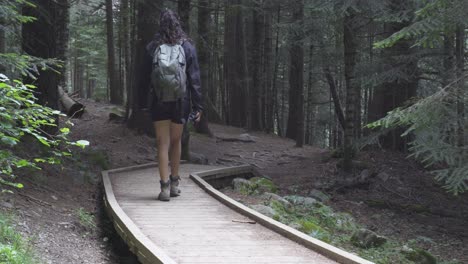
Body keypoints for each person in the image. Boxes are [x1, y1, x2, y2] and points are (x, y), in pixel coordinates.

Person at [142, 9, 203, 201]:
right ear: (178, 24)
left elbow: (144, 79)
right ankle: (175, 183)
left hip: (159, 101)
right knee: (176, 142)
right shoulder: (187, 47)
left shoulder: (152, 47)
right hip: (181, 101)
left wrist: (143, 103)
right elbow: (194, 79)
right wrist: (198, 106)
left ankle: (164, 188)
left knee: (162, 143)